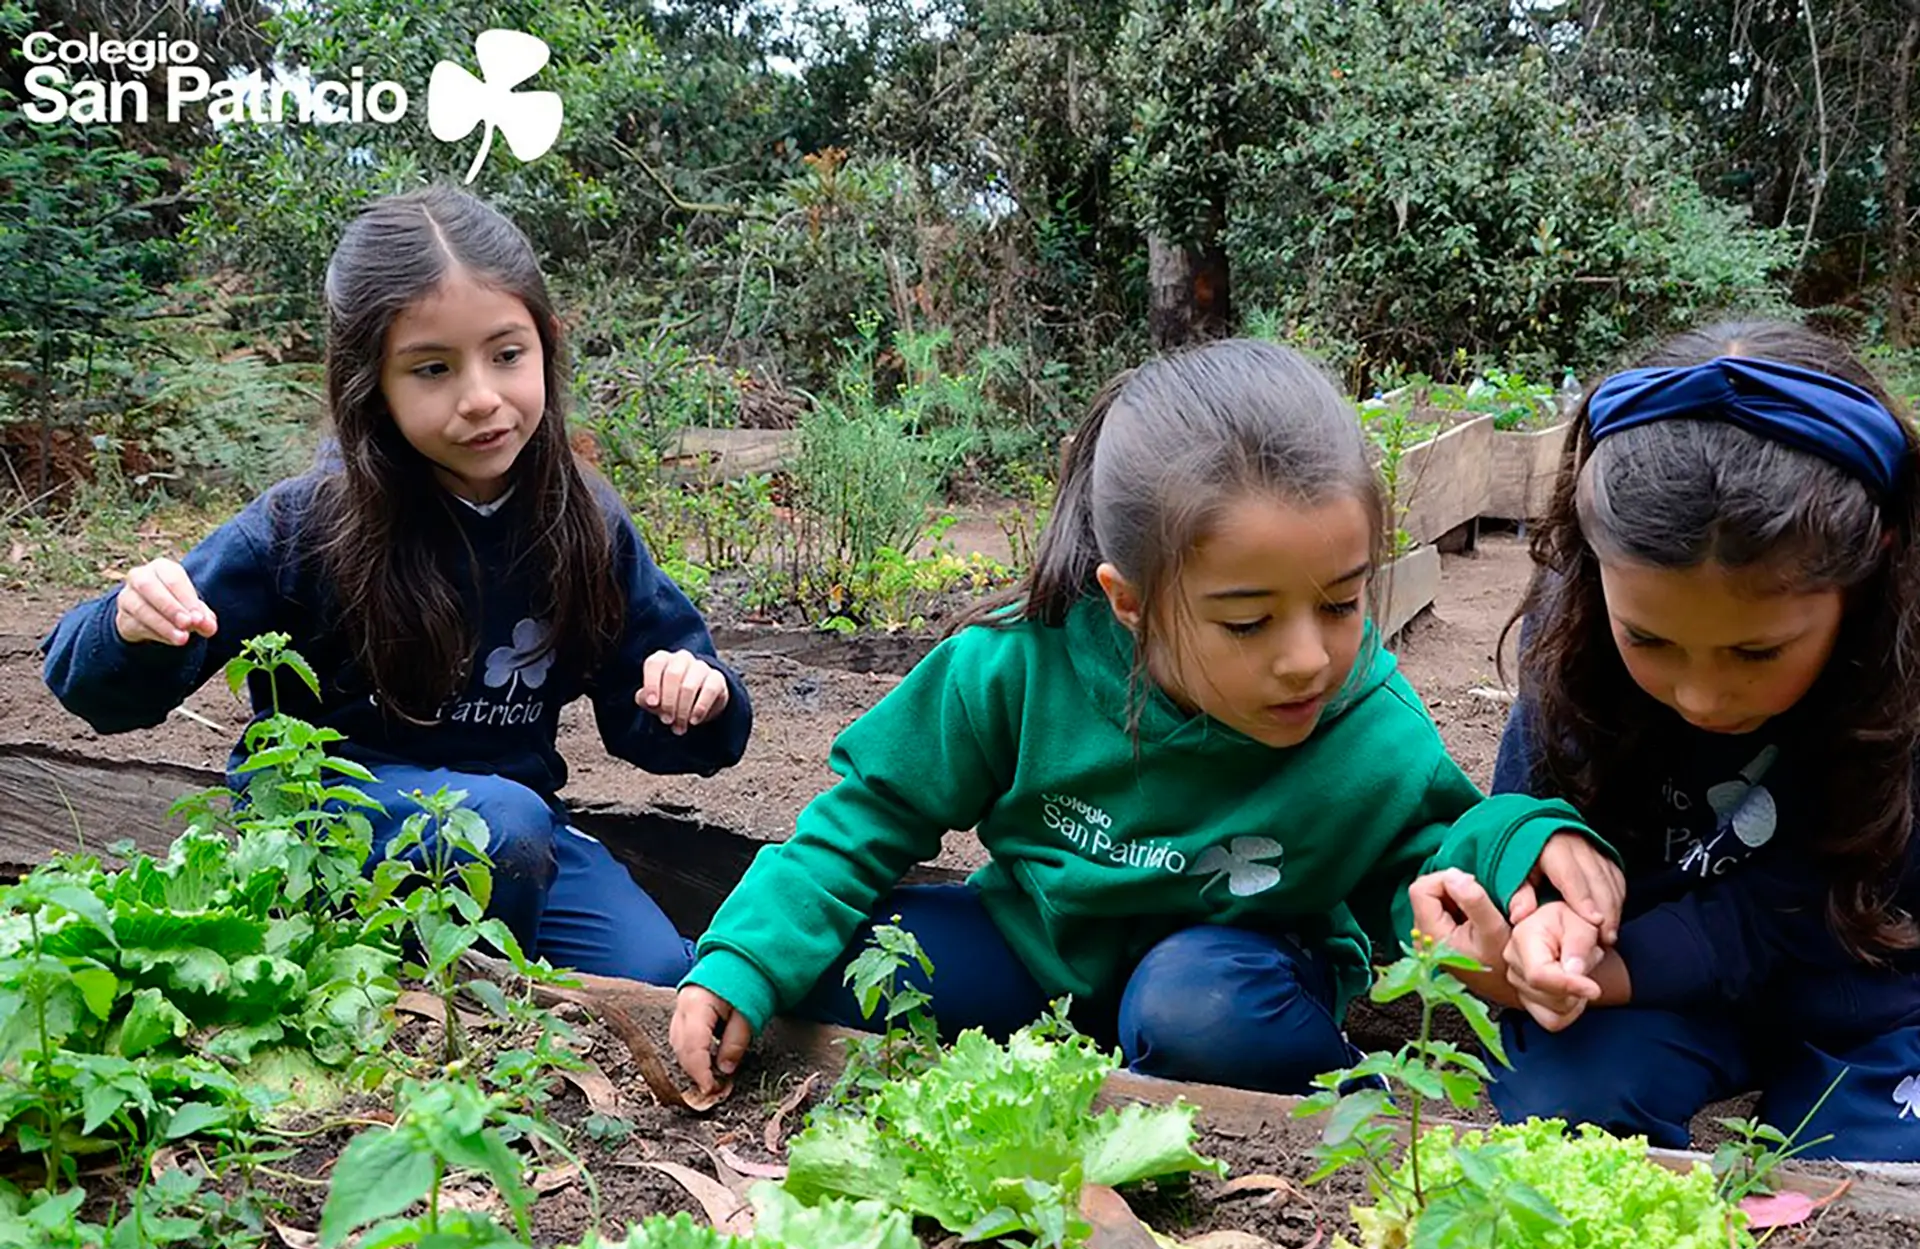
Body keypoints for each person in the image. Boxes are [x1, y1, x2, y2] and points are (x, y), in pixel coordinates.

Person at [669, 338, 1622, 1096]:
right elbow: (863, 819)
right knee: (841, 963)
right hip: (1036, 958)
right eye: (1247, 620)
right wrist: (744, 961)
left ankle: (1322, 1083)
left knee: (1197, 1008)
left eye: (1340, 601)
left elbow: (1436, 859)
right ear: (1129, 601)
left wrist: (1516, 847)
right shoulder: (1014, 668)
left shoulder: (1366, 719)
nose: (1308, 656)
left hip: (1231, 976)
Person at [41, 185, 751, 986]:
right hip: (332, 825)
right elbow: (94, 686)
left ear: (547, 344)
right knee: (498, 829)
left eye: (507, 354)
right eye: (433, 369)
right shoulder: (308, 522)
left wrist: (697, 694)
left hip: (517, 835)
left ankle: (489, 971)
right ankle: (452, 1020)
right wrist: (130, 627)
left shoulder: (581, 520)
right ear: (371, 384)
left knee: (658, 971)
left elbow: (656, 719)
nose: (481, 396)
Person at [1450, 320, 1920, 1160]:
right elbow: (1519, 811)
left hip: (1864, 975)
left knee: (1870, 1170)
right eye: (1652, 641)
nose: (1703, 695)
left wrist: (1604, 971)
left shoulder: (1905, 667)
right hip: (1653, 981)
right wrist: (1533, 926)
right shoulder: (1576, 635)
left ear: (1874, 563)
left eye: (1758, 650)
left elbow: (1790, 919)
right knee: (1566, 1106)